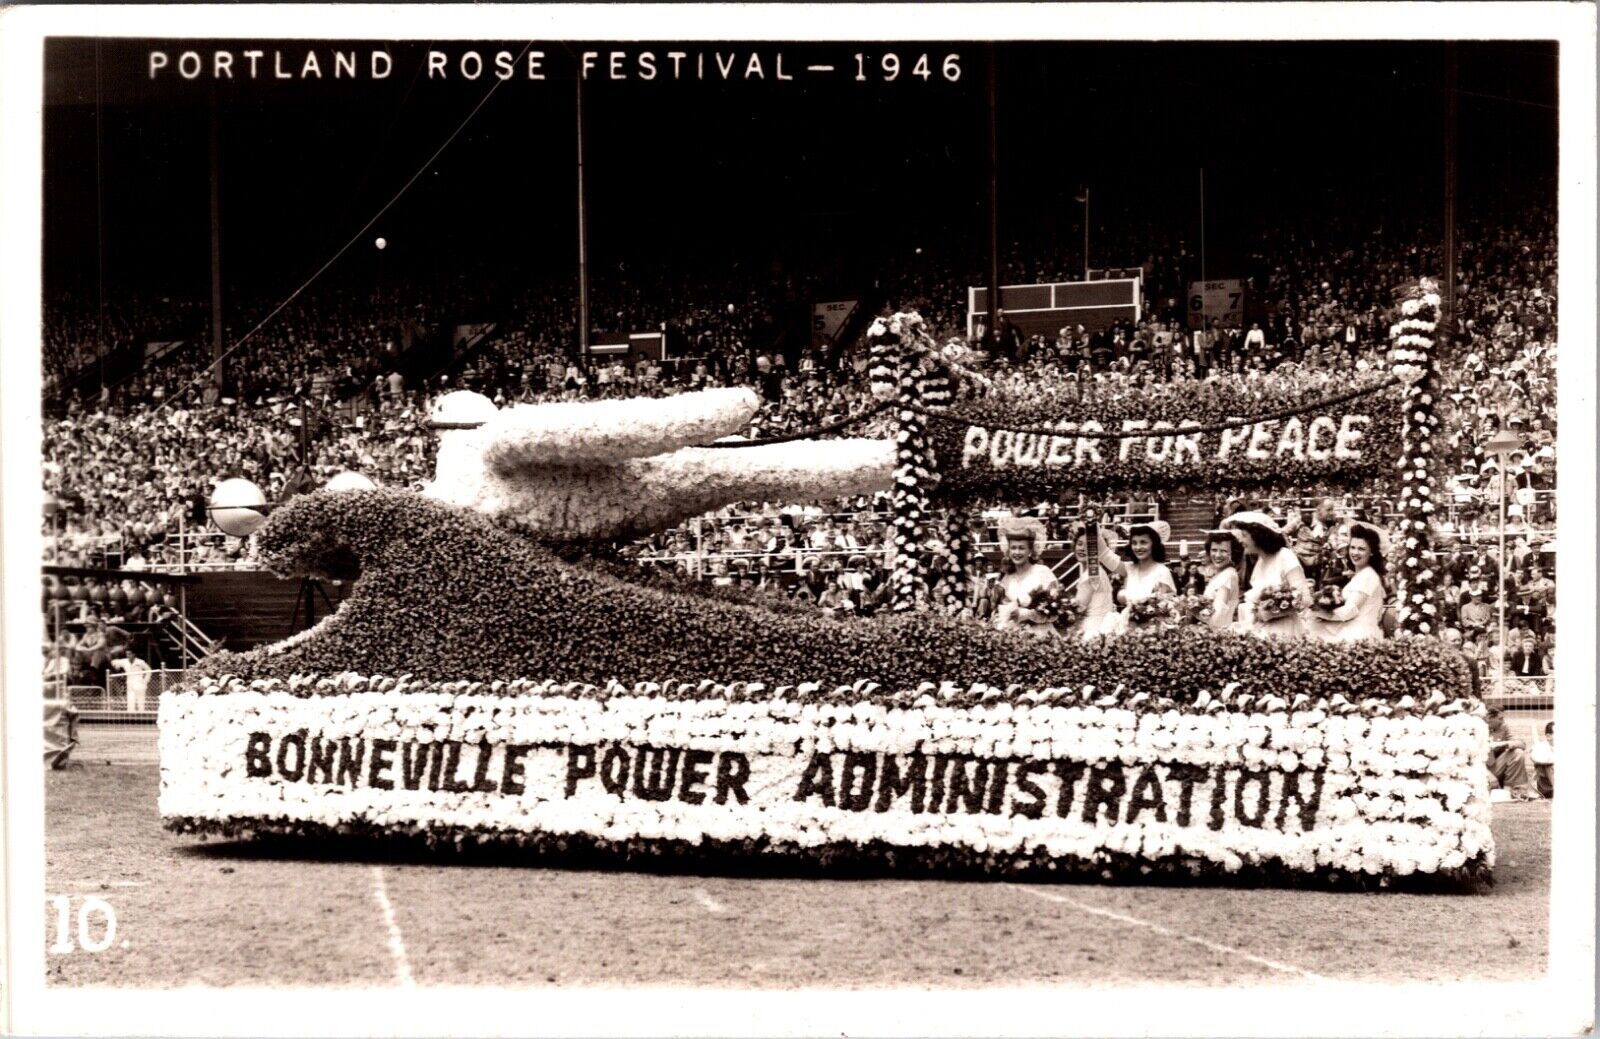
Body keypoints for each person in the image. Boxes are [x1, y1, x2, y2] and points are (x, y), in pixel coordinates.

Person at [1224, 510, 1311, 638]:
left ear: (1257, 535)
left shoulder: (1284, 556)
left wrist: (1268, 613)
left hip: (1285, 630)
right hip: (1261, 629)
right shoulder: (1259, 562)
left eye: (1244, 535)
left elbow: (1304, 599)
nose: (1240, 540)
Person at [1308, 521, 1389, 642]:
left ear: (1371, 552)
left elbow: (1349, 611)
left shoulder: (1368, 576)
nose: (1355, 553)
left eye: (1361, 549)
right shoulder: (1361, 574)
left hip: (1360, 635)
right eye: (1352, 547)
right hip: (1351, 630)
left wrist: (1318, 613)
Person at [992, 517, 1063, 639]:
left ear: (1030, 550)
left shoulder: (1042, 571)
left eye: (1021, 548)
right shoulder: (1006, 578)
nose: (1017, 552)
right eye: (1013, 548)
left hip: (1042, 636)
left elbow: (1055, 614)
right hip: (1015, 636)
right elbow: (1002, 611)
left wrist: (1027, 614)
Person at [1105, 520, 1177, 634]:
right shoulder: (1129, 568)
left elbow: (1166, 610)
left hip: (1152, 633)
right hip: (1126, 629)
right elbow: (1106, 557)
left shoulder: (1162, 572)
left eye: (1143, 542)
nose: (1138, 547)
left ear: (1154, 544)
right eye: (1134, 542)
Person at [1067, 522, 1121, 641]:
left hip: (1092, 629)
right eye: (1079, 544)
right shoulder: (1098, 570)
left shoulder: (1092, 573)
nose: (1082, 549)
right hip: (1103, 626)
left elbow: (1078, 609)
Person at [1484, 707, 1540, 801]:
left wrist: (1503, 743)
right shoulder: (1475, 729)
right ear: (1489, 717)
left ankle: (1508, 790)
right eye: (1500, 718)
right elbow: (1471, 760)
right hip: (1481, 772)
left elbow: (1521, 744)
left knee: (1518, 753)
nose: (1503, 721)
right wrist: (1489, 775)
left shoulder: (1503, 727)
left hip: (1496, 767)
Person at [1200, 529, 1243, 631]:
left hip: (1218, 633)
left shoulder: (1228, 575)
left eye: (1223, 551)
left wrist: (1194, 611)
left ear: (1233, 553)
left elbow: (1217, 617)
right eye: (1214, 550)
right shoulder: (1220, 574)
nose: (1218, 555)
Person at [1530, 720, 1554, 799]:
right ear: (1548, 736)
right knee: (1548, 765)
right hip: (1545, 786)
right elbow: (1536, 757)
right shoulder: (1541, 747)